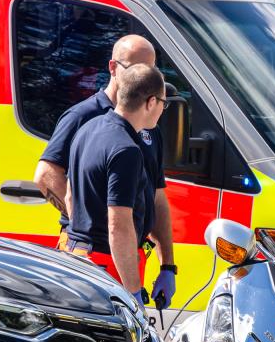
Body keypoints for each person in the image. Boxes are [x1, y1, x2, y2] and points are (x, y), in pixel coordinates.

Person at [34, 35, 176, 306]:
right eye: (135, 68)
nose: (144, 76)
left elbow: (156, 198)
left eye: (151, 70)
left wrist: (167, 265)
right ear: (113, 68)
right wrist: (87, 222)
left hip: (123, 254)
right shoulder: (83, 117)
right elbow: (46, 175)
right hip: (99, 253)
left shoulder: (147, 130)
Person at [63, 64, 169, 305]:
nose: (163, 109)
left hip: (78, 256)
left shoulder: (88, 129)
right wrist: (132, 294)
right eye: (164, 102)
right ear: (151, 102)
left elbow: (70, 197)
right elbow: (118, 227)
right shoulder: (127, 150)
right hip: (108, 267)